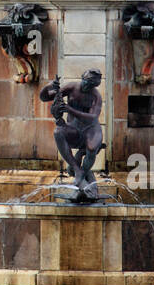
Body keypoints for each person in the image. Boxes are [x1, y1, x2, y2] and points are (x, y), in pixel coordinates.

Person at [40, 69, 105, 200]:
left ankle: (85, 181)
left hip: (91, 130)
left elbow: (92, 117)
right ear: (82, 78)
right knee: (58, 132)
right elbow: (45, 97)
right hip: (74, 129)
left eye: (91, 85)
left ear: (95, 85)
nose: (87, 86)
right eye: (86, 82)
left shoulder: (96, 96)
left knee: (91, 148)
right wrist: (48, 86)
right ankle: (77, 170)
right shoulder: (72, 87)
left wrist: (70, 109)